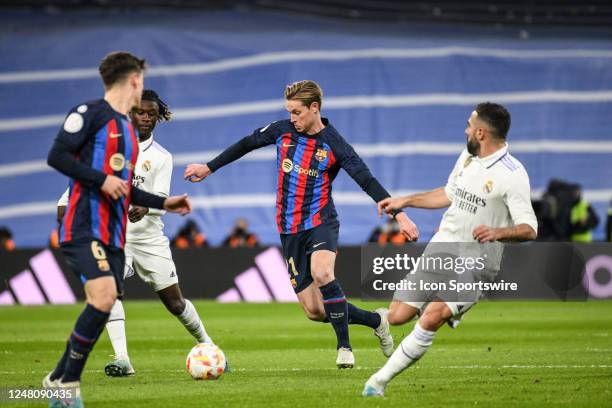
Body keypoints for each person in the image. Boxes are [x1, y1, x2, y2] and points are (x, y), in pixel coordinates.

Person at [184, 80, 419, 368]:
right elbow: (246, 143)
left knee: (322, 273)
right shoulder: (281, 131)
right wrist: (209, 167)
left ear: (314, 108)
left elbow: (365, 179)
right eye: (289, 112)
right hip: (288, 228)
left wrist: (401, 214)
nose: (292, 118)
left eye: (297, 112)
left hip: (321, 220)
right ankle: (375, 320)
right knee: (314, 311)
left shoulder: (335, 144)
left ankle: (344, 347)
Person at [44, 52, 191, 408]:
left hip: (113, 232)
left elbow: (124, 186)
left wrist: (163, 203)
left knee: (104, 300)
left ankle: (55, 380)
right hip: (83, 226)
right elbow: (57, 156)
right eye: (141, 78)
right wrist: (102, 179)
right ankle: (67, 388)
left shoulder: (125, 128)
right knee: (105, 298)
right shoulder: (88, 114)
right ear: (134, 80)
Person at [362, 102, 538, 396]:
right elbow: (447, 194)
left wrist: (498, 232)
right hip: (441, 249)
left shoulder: (513, 174)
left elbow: (529, 229)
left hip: (477, 263)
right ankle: (454, 311)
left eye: (469, 125)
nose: (465, 129)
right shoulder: (468, 157)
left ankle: (378, 382)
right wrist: (405, 201)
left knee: (433, 314)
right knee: (397, 316)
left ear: (481, 132)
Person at [57, 90, 217, 377]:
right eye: (140, 112)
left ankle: (208, 345)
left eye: (151, 114)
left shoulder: (161, 157)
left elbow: (161, 199)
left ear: (157, 117)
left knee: (175, 303)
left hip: (149, 240)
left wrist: (146, 208)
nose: (145, 118)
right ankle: (122, 359)